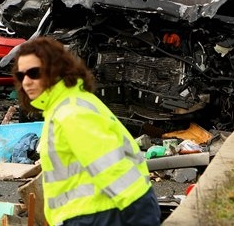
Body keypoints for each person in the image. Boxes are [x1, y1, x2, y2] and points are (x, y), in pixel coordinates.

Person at [13, 37, 159, 226]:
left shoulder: (71, 113)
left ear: (56, 69)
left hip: (102, 215)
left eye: (34, 73)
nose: (26, 82)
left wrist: (141, 217)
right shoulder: (65, 105)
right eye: (20, 75)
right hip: (96, 213)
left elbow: (112, 167)